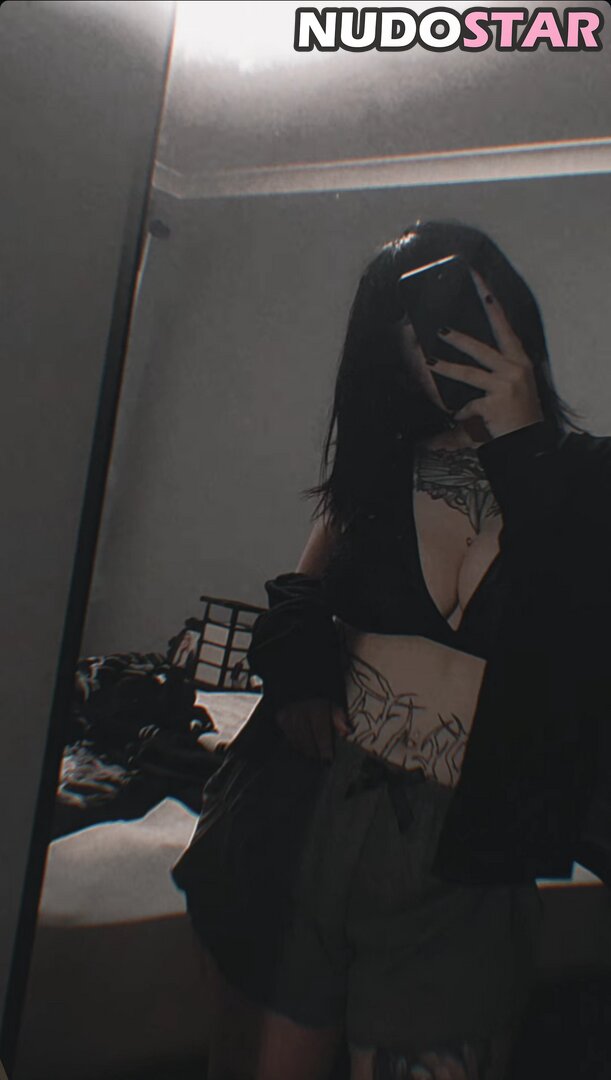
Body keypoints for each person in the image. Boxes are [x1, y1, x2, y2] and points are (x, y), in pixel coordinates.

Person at [172, 221, 611, 1080]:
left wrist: (522, 445)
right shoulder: (376, 468)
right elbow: (298, 597)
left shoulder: (588, 479)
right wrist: (300, 677)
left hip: (467, 845)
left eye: (465, 311)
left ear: (512, 314)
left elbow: (583, 633)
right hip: (302, 808)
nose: (435, 347)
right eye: (409, 330)